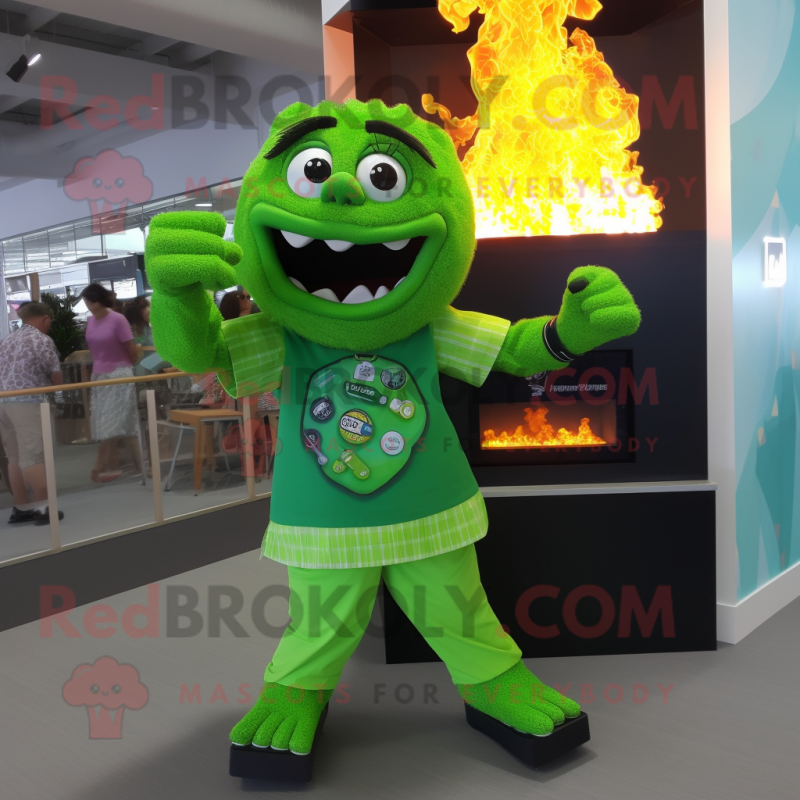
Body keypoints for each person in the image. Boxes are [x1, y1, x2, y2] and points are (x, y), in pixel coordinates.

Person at [0, 302, 65, 525]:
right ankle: (45, 508)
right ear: (45, 318)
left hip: (3, 402)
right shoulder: (41, 340)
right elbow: (56, 377)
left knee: (14, 457)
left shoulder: (7, 340)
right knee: (34, 457)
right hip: (28, 403)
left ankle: (21, 507)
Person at [80, 284, 140, 483]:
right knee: (110, 420)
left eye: (91, 300)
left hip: (119, 373)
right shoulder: (91, 321)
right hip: (99, 375)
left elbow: (130, 348)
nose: (89, 305)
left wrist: (127, 368)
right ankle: (135, 463)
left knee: (114, 420)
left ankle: (100, 466)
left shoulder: (117, 319)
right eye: (87, 301)